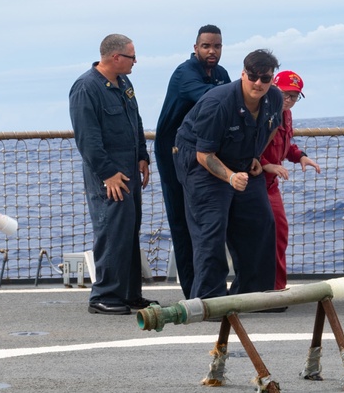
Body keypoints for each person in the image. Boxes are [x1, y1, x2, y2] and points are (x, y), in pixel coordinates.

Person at [174, 49, 284, 300]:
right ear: (243, 74)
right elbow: (205, 155)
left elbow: (274, 125)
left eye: (265, 79)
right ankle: (208, 299)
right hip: (201, 160)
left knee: (261, 223)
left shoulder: (274, 98)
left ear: (272, 79)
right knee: (212, 227)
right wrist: (231, 178)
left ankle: (253, 296)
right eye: (253, 76)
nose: (258, 83)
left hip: (242, 160)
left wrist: (256, 155)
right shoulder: (218, 103)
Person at [69, 34, 156, 315]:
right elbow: (88, 140)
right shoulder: (86, 88)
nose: (135, 62)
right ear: (115, 57)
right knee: (112, 230)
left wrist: (143, 156)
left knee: (129, 231)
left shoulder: (124, 83)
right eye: (132, 56)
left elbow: (136, 120)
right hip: (108, 175)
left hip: (129, 170)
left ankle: (130, 294)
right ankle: (104, 295)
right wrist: (108, 174)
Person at [154, 24, 230, 299]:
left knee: (207, 220)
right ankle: (192, 292)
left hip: (203, 154)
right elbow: (212, 100)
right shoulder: (184, 73)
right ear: (195, 47)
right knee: (182, 222)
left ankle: (209, 286)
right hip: (173, 154)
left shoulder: (221, 74)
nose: (212, 51)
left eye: (217, 46)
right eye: (207, 46)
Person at [261, 71, 322, 291]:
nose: (289, 100)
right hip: (253, 183)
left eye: (294, 96)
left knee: (279, 233)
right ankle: (259, 288)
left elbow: (285, 146)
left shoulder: (286, 115)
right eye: (285, 94)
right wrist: (266, 164)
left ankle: (277, 288)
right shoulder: (261, 112)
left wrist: (300, 156)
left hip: (271, 185)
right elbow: (245, 148)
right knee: (260, 238)